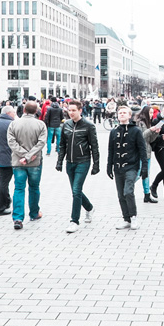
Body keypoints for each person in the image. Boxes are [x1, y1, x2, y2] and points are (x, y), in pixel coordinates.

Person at [55, 100, 100, 233]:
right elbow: (62, 145)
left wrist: (96, 164)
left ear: (80, 111)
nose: (71, 112)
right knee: (76, 191)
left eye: (74, 110)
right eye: (69, 110)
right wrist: (59, 161)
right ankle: (90, 208)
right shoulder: (66, 125)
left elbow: (94, 146)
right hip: (70, 162)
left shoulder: (88, 126)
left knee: (76, 190)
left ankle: (74, 221)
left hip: (83, 161)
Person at [7, 101, 48, 230]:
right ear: (36, 111)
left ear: (23, 110)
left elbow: (11, 142)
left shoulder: (14, 124)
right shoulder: (41, 124)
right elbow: (42, 142)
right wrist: (29, 156)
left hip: (18, 161)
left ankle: (18, 217)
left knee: (19, 188)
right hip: (35, 162)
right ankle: (34, 213)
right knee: (34, 187)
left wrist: (23, 155)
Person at [108, 105, 148, 230]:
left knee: (128, 192)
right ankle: (126, 219)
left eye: (125, 112)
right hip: (118, 167)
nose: (122, 114)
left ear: (130, 116)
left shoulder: (136, 131)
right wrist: (109, 166)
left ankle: (133, 217)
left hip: (131, 166)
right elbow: (111, 150)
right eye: (120, 113)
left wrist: (144, 168)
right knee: (120, 195)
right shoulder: (114, 132)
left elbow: (142, 150)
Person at [136, 107, 161, 204]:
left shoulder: (148, 123)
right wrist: (150, 130)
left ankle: (147, 195)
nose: (151, 115)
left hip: (148, 152)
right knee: (138, 174)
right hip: (140, 152)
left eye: (152, 113)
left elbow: (150, 140)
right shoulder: (140, 123)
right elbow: (141, 136)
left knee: (146, 174)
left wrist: (155, 133)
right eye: (150, 113)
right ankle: (126, 190)